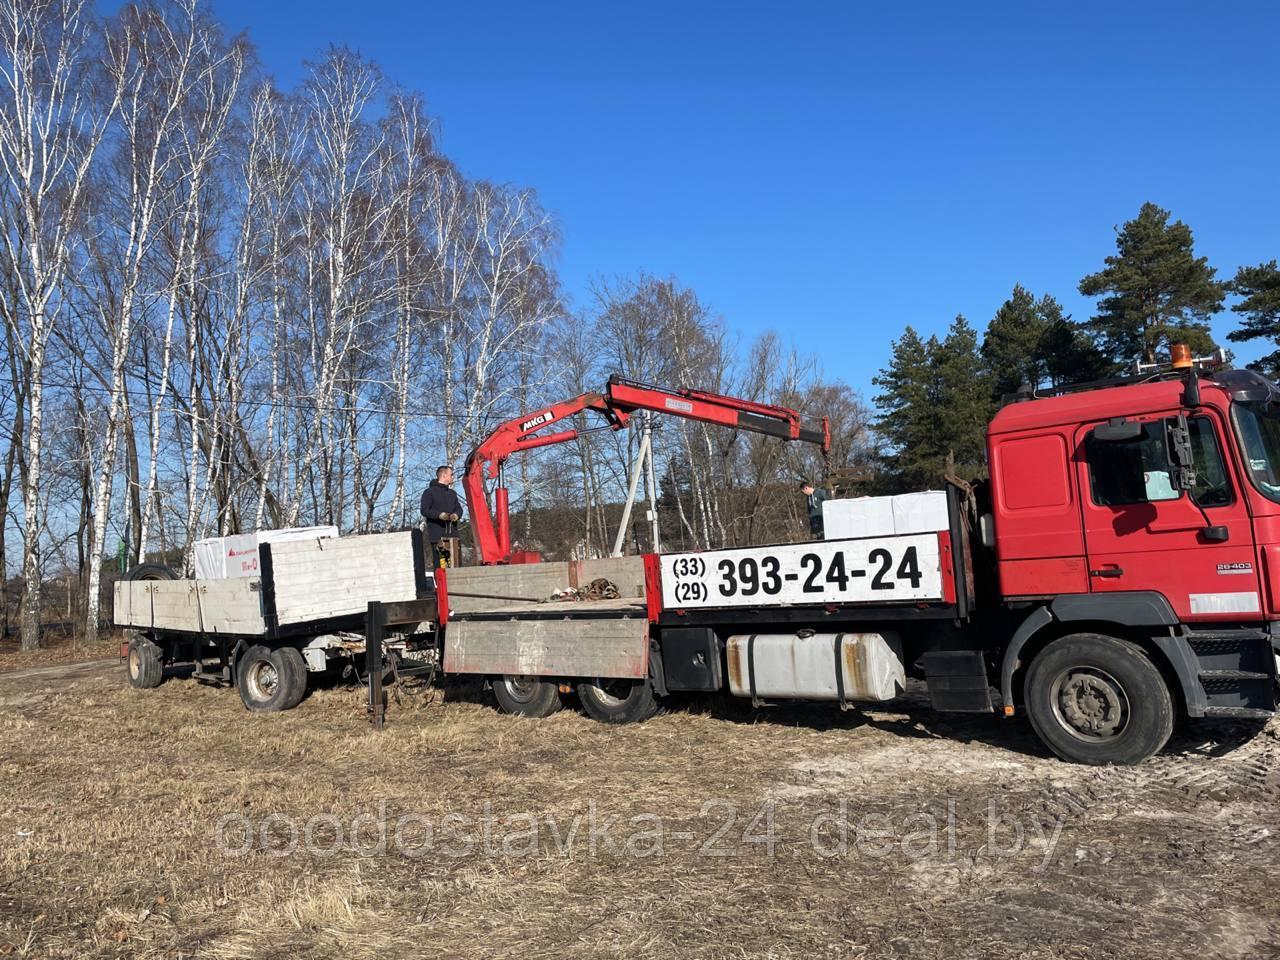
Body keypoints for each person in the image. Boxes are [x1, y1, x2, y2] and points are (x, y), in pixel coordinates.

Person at [421, 465, 463, 567]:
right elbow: (424, 510)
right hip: (437, 537)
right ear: (444, 475)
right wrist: (439, 515)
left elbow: (459, 509)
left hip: (453, 536)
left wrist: (456, 515)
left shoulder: (452, 493)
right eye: (451, 474)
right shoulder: (429, 492)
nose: (453, 477)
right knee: (441, 566)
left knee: (455, 564)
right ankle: (439, 583)